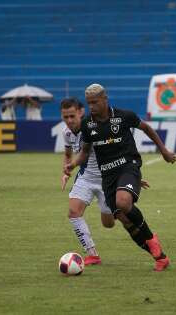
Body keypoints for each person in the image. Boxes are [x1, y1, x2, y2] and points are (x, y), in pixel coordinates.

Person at [64, 84, 176, 272]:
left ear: (105, 99)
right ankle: (160, 257)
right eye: (89, 103)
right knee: (124, 220)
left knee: (123, 202)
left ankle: (151, 238)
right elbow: (84, 152)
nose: (91, 107)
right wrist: (73, 164)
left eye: (95, 102)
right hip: (107, 176)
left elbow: (146, 128)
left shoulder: (124, 116)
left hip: (128, 166)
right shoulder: (87, 125)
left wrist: (163, 150)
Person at [60, 97, 114, 265]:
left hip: (106, 178)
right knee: (73, 213)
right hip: (85, 178)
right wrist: (66, 172)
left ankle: (116, 208)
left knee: (108, 223)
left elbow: (115, 151)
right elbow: (68, 154)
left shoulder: (94, 127)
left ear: (81, 112)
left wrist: (128, 173)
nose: (69, 121)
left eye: (72, 116)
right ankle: (92, 254)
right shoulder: (66, 133)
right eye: (65, 117)